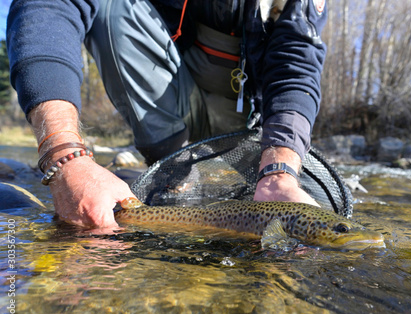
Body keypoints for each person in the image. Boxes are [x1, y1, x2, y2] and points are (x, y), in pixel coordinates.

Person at [6, 0, 327, 231]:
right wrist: (62, 154)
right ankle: (173, 171)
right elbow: (47, 7)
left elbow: (297, 63)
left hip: (247, 127)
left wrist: (279, 171)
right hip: (175, 111)